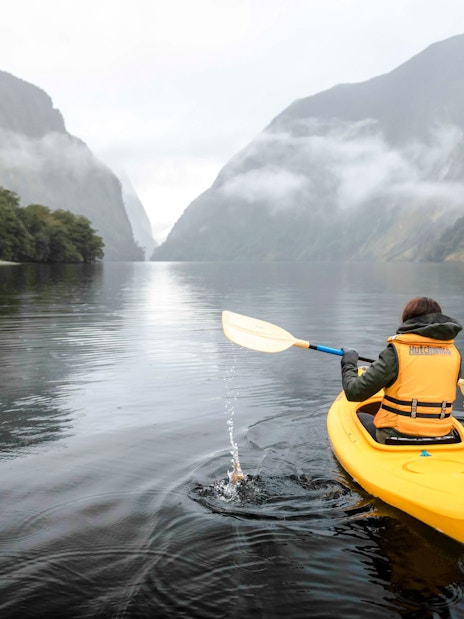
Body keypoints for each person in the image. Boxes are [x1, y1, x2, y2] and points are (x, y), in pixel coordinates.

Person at [341, 297, 462, 444]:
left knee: (358, 417)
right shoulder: (454, 354)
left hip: (397, 435)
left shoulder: (396, 352)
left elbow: (354, 392)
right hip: (443, 435)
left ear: (407, 320)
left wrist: (349, 362)